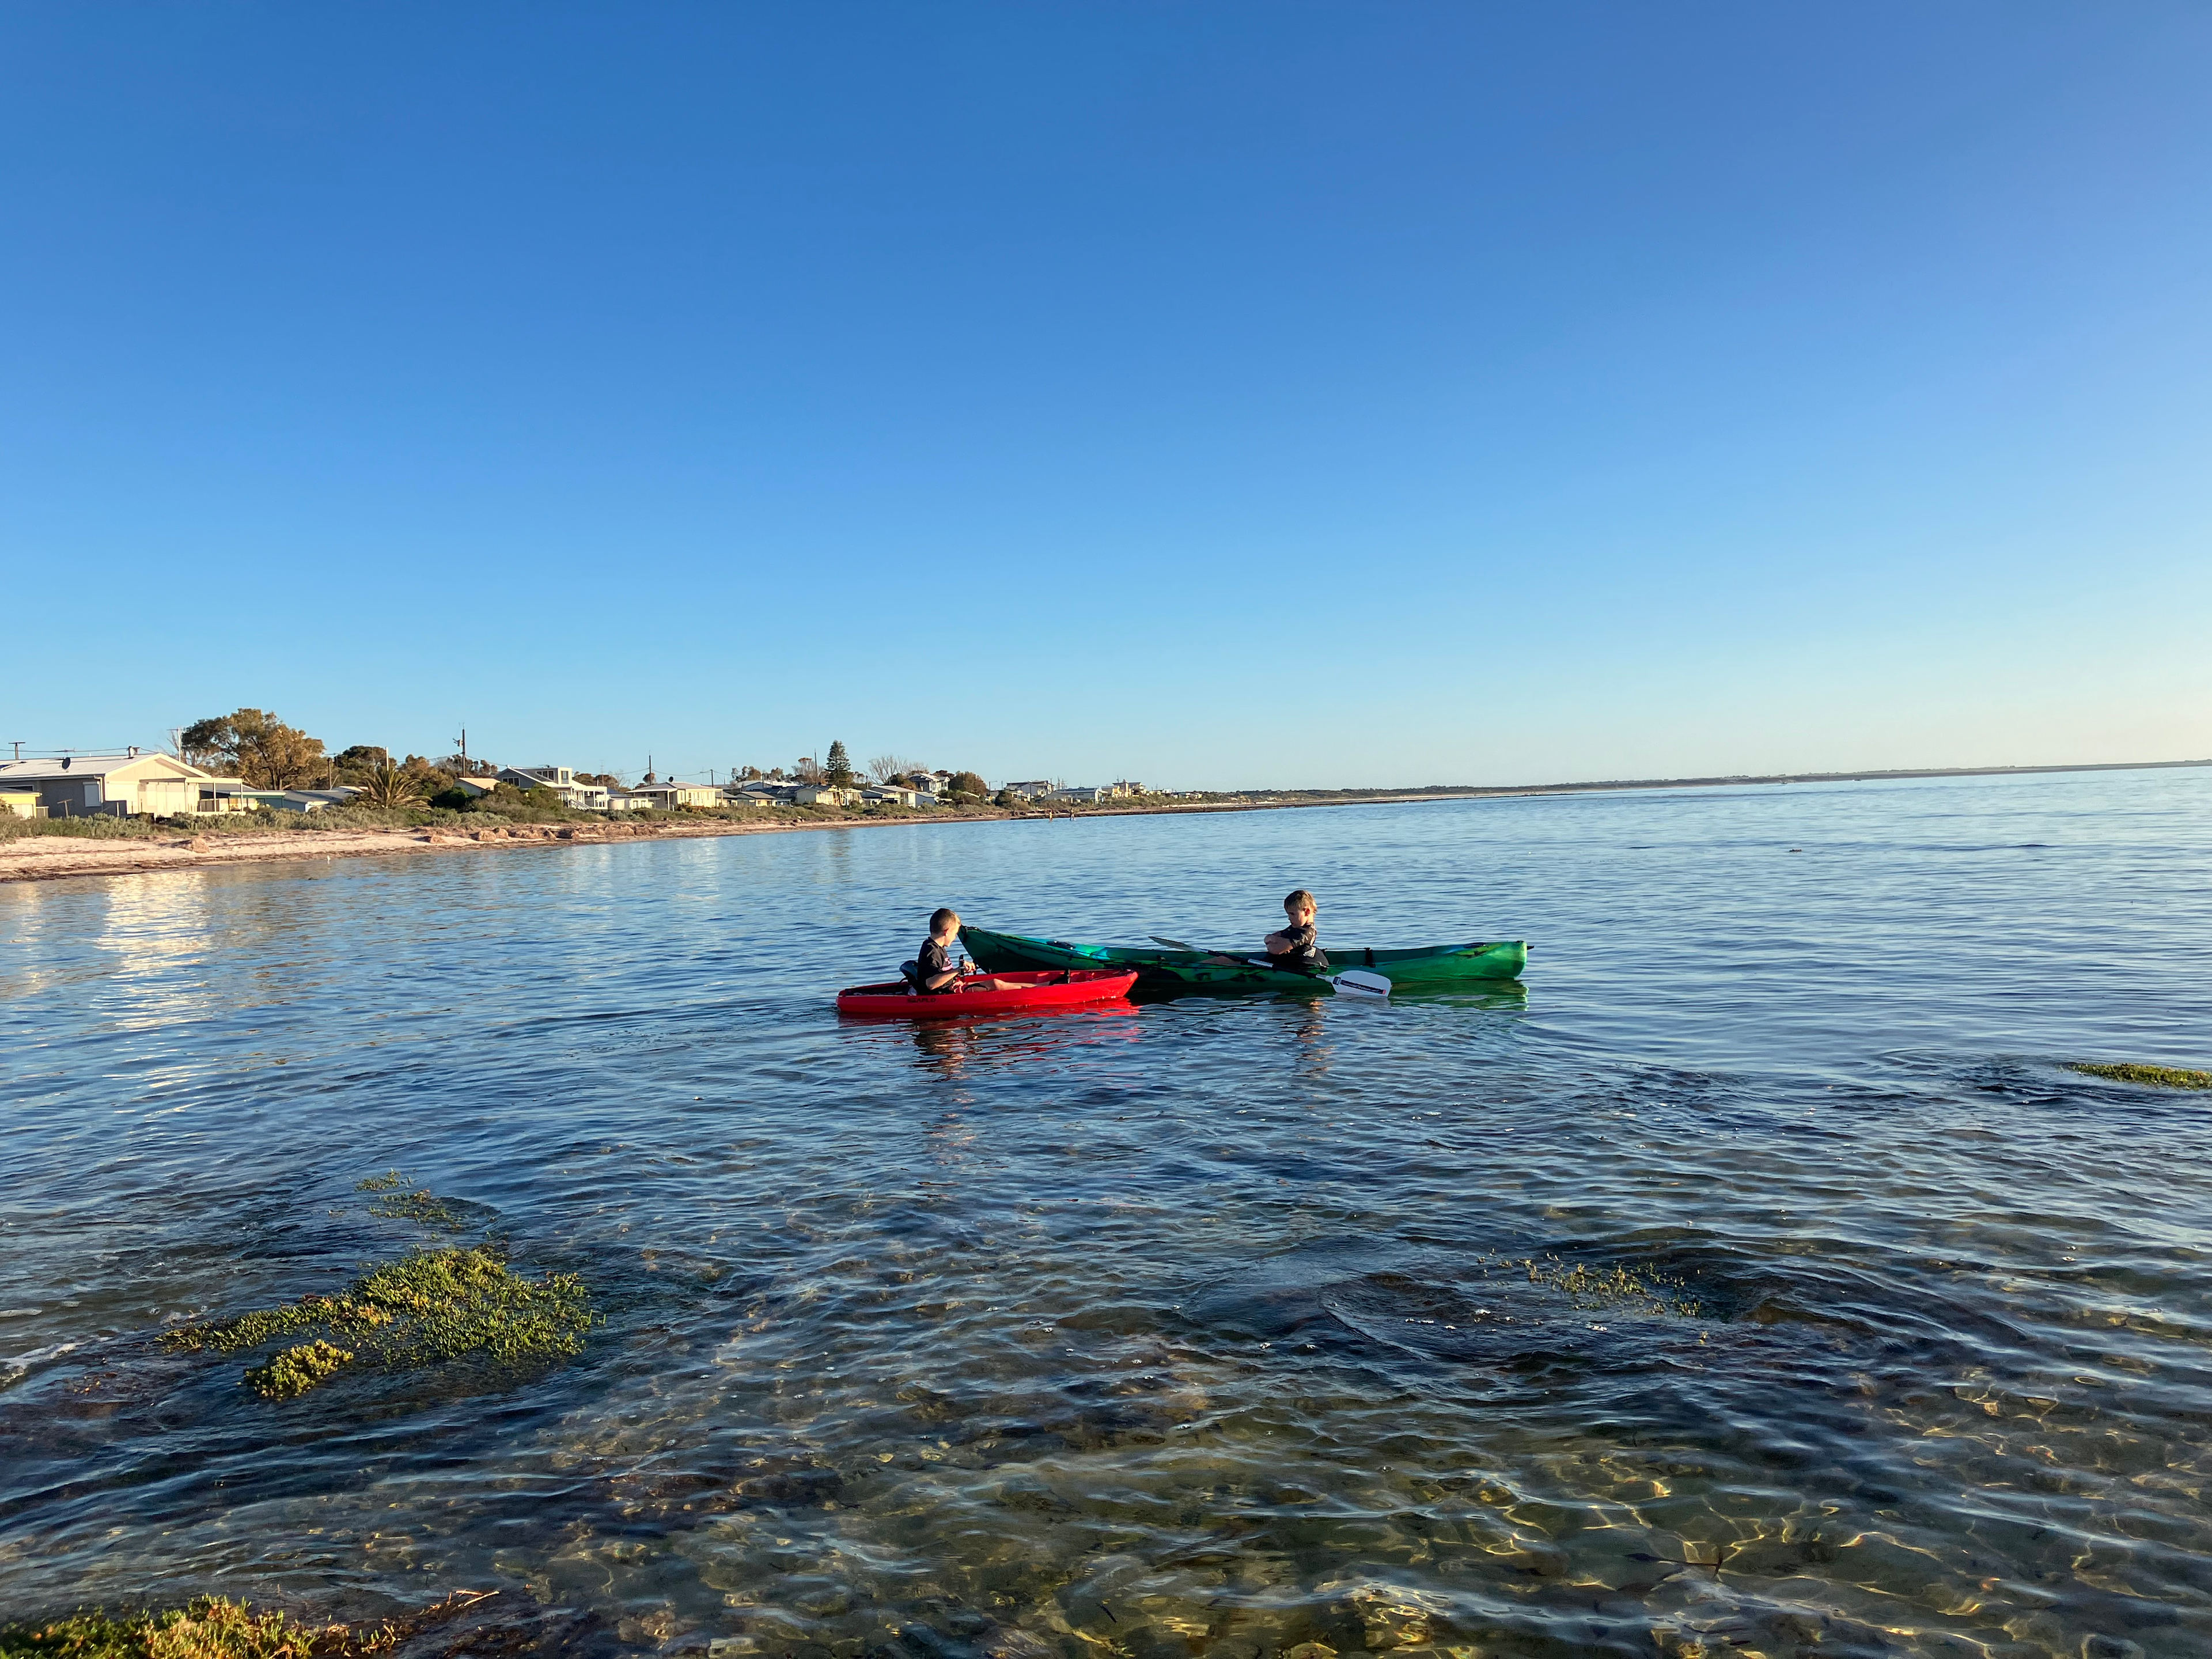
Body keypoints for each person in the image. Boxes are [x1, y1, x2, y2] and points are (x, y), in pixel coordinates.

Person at [907, 907, 1019, 994]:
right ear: (946, 932)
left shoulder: (938, 947)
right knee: (996, 984)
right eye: (955, 933)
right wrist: (958, 970)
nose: (956, 937)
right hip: (947, 994)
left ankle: (1035, 987)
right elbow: (931, 984)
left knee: (995, 980)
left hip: (954, 986)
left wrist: (962, 969)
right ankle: (1035, 992)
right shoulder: (931, 951)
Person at [1264, 889, 1328, 973]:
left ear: (1307, 912)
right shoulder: (1294, 928)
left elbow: (1276, 950)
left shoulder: (1306, 933)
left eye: (1292, 914)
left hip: (1297, 965)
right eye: (1288, 914)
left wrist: (1274, 940)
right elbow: (1267, 939)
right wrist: (1274, 940)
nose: (1289, 918)